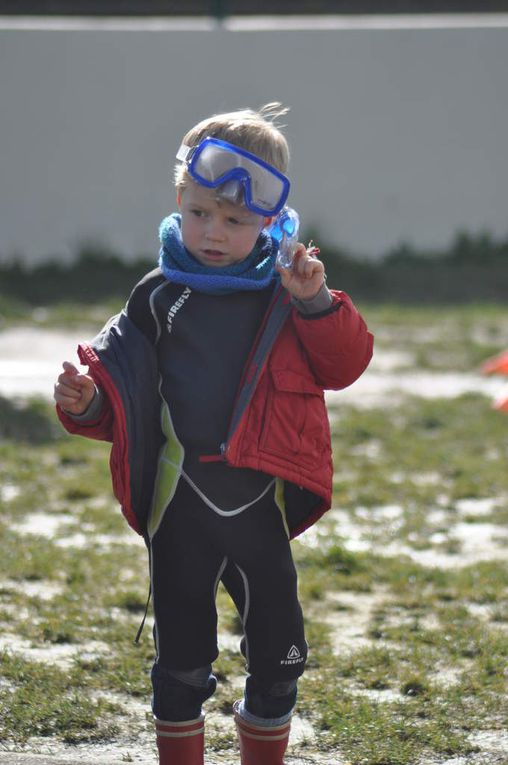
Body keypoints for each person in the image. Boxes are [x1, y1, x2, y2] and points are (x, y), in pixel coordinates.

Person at [54, 103, 373, 765]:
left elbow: (345, 365)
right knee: (179, 669)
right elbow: (127, 403)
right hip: (182, 508)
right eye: (201, 213)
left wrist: (316, 300)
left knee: (282, 658)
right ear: (179, 198)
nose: (215, 232)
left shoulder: (289, 293)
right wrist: (86, 404)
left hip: (259, 507)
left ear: (270, 221)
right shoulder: (154, 296)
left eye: (234, 220)